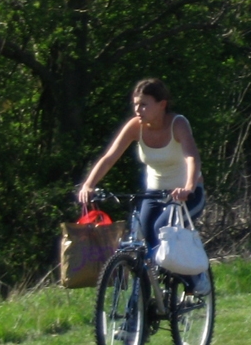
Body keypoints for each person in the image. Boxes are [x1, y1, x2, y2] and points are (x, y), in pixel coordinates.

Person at [77, 78, 209, 294]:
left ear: (162, 104)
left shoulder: (178, 124)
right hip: (154, 194)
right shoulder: (135, 127)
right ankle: (141, 308)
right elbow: (109, 157)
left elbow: (192, 157)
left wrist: (188, 187)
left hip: (186, 195)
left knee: (163, 231)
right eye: (136, 104)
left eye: (144, 104)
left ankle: (195, 274)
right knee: (144, 241)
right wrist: (88, 185)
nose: (138, 109)